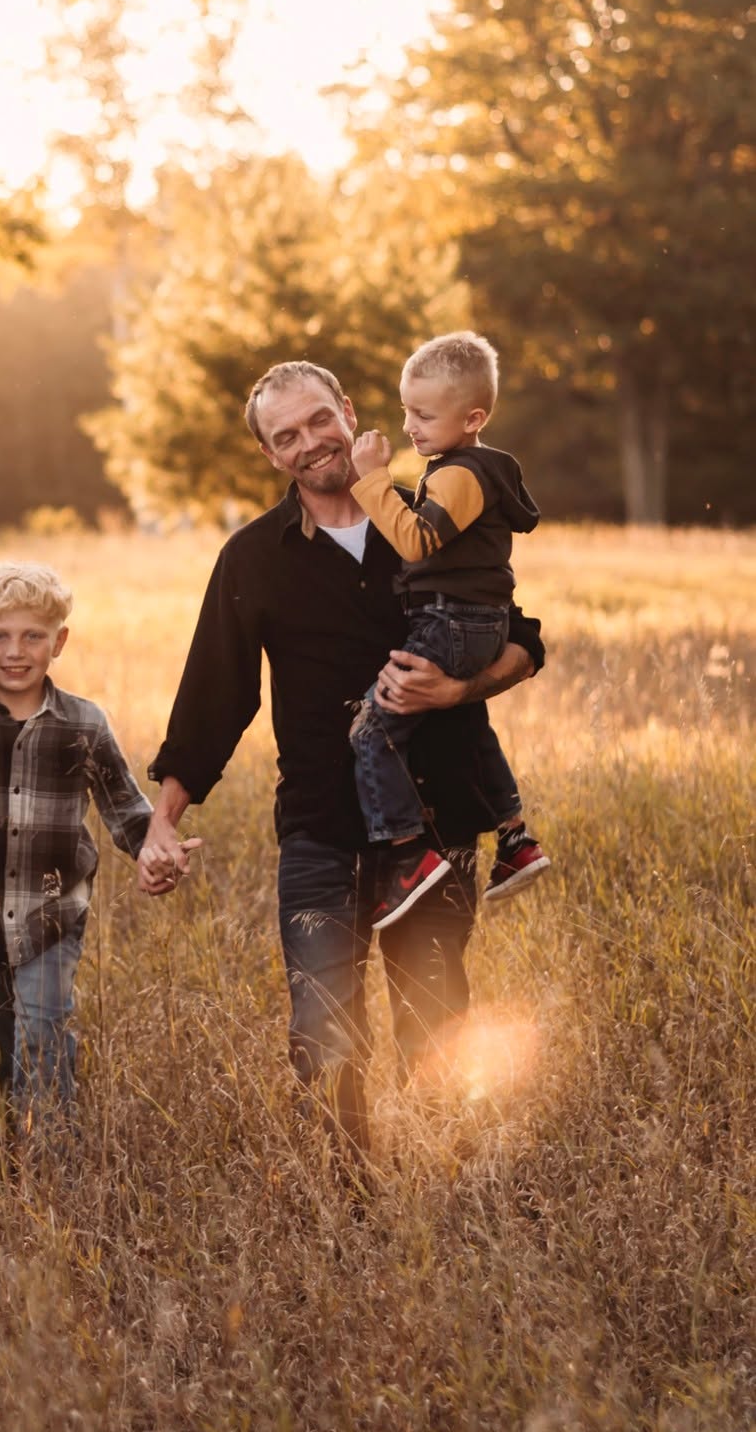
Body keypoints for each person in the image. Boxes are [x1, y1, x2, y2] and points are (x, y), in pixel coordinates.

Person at [138, 359, 546, 1165]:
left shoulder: (432, 521)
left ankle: (452, 1205)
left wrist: (457, 689)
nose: (309, 443)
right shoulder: (253, 557)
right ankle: (350, 1221)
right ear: (270, 455)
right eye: (284, 436)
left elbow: (523, 638)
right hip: (320, 829)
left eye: (319, 420)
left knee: (436, 1023)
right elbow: (215, 699)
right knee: (323, 1036)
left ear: (350, 413)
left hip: (434, 827)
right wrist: (161, 822)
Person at [0, 560, 152, 1136]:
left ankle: (54, 1161)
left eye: (33, 635)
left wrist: (157, 849)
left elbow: (124, 805)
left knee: (43, 1029)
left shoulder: (83, 722)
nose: (16, 651)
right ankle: (1, 1154)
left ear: (59, 641)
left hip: (52, 914)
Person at [347, 330, 549, 931]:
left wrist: (372, 480)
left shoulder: (459, 475)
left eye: (424, 414)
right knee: (466, 718)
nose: (410, 424)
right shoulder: (478, 468)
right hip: (480, 623)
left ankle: (409, 855)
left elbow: (414, 539)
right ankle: (515, 839)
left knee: (371, 729)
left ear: (474, 417)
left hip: (449, 620)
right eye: (406, 409)